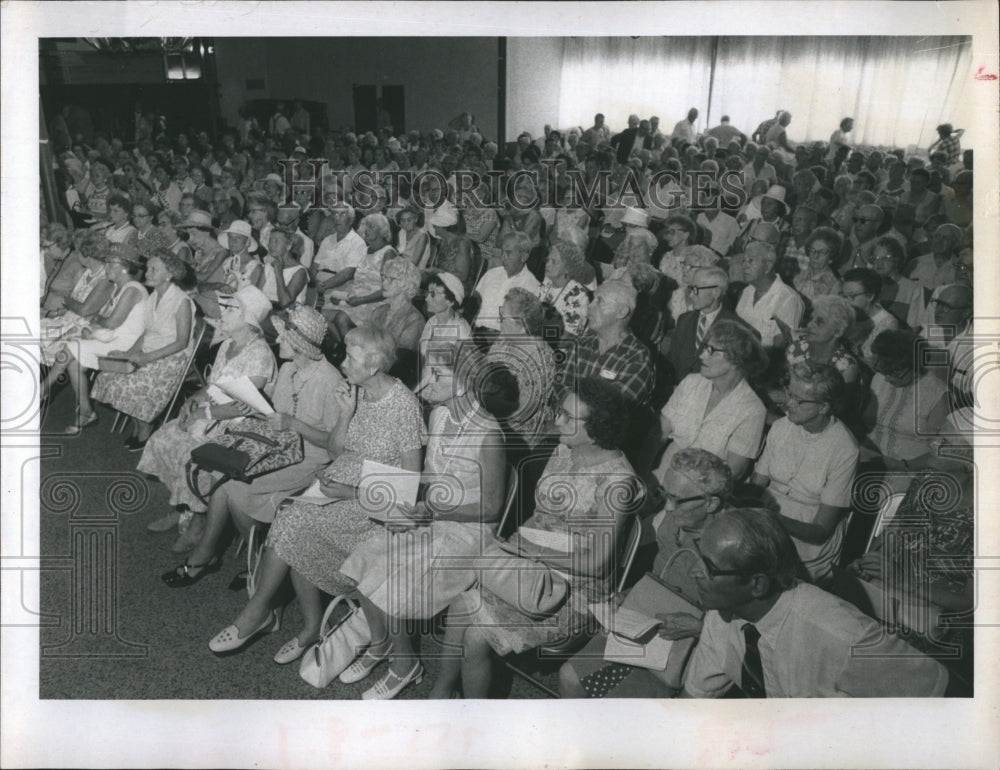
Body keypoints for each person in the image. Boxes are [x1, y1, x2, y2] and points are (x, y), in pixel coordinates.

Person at [206, 324, 422, 660]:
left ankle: (260, 614)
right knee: (293, 518)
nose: (343, 363)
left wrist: (352, 492)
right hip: (339, 479)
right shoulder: (357, 391)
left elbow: (408, 486)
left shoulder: (404, 406)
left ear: (374, 366)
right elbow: (338, 451)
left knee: (294, 523)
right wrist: (346, 415)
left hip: (372, 502)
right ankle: (303, 624)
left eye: (351, 356)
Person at [430, 378, 642, 699]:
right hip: (532, 564)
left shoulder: (618, 483)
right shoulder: (565, 450)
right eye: (561, 412)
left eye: (569, 417)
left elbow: (597, 564)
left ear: (599, 426)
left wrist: (533, 552)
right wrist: (512, 551)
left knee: (476, 637)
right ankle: (440, 693)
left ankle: (473, 721)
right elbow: (541, 516)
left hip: (575, 590)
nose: (558, 421)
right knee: (459, 605)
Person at [336, 348, 511, 699]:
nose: (426, 382)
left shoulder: (489, 433)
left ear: (462, 385)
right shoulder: (440, 417)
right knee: (366, 553)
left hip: (469, 532)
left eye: (437, 375)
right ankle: (383, 642)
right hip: (432, 515)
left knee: (397, 574)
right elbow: (429, 478)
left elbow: (492, 508)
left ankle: (405, 665)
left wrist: (429, 512)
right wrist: (405, 509)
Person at [679, 507, 948, 697]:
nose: (693, 572)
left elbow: (938, 699)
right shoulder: (723, 612)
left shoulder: (842, 635)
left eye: (708, 568)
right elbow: (696, 696)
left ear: (757, 584)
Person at [163, 304, 344, 572]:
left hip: (310, 458)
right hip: (278, 445)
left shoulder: (330, 381)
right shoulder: (287, 370)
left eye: (284, 337)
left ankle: (251, 555)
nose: (278, 340)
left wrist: (294, 424)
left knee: (233, 486)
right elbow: (277, 418)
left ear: (300, 344)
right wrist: (255, 410)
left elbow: (334, 447)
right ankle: (240, 552)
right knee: (220, 475)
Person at [559, 448, 732, 698]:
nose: (668, 507)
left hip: (693, 646)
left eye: (677, 499)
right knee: (571, 677)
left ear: (711, 503)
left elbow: (746, 628)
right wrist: (629, 596)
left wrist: (698, 627)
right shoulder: (673, 522)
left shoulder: (734, 546)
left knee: (619, 706)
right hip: (649, 624)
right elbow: (659, 577)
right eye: (666, 494)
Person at [138, 287, 277, 534]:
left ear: (247, 319)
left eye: (229, 309)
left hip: (240, 427)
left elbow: (244, 406)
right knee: (162, 440)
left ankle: (198, 520)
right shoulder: (228, 344)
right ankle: (183, 507)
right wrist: (191, 400)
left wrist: (204, 414)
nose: (221, 313)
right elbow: (213, 386)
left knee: (191, 457)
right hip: (212, 415)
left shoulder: (260, 355)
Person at [751, 362, 858, 585]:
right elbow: (756, 486)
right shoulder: (781, 427)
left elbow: (820, 531)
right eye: (789, 393)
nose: (788, 403)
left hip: (806, 551)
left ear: (824, 407)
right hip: (763, 529)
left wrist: (773, 520)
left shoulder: (845, 449)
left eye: (798, 400)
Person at [90, 250, 195, 445]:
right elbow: (146, 333)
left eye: (154, 269)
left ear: (169, 275)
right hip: (148, 351)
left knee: (130, 383)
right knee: (109, 376)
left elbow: (182, 342)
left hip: (172, 356)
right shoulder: (152, 297)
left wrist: (147, 357)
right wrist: (128, 353)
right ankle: (139, 424)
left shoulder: (182, 301)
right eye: (148, 268)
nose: (147, 273)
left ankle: (145, 428)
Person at [40, 245, 147, 430]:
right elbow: (103, 321)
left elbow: (112, 322)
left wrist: (94, 324)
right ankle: (86, 412)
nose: (106, 267)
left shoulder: (133, 288)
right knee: (74, 363)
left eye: (110, 264)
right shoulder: (119, 288)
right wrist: (94, 326)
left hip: (125, 344)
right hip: (110, 338)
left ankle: (42, 389)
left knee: (70, 347)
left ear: (124, 266)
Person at [653, 320, 767, 485]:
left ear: (736, 360)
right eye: (705, 348)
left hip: (703, 488)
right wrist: (641, 476)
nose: (702, 356)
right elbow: (657, 435)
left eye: (712, 351)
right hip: (662, 471)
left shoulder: (752, 410)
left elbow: (735, 471)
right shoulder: (691, 383)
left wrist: (687, 488)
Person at [861, 329, 950, 475]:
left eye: (894, 373)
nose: (887, 379)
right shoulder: (879, 378)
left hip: (908, 471)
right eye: (885, 372)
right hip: (870, 462)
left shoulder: (937, 395)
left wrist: (901, 466)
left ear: (914, 366)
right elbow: (866, 424)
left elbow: (940, 451)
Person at [556, 279, 654, 409]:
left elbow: (613, 410)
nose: (589, 307)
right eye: (593, 300)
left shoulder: (637, 357)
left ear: (621, 312)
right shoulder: (582, 343)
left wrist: (573, 409)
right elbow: (560, 384)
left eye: (599, 301)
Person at [487, 288, 556, 449]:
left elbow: (520, 413)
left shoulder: (541, 359)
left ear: (523, 326)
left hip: (516, 435)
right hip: (490, 417)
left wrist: (482, 411)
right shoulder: (504, 340)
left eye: (503, 318)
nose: (499, 322)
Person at [665, 266, 745, 385]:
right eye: (690, 289)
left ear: (716, 292)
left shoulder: (737, 329)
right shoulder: (684, 319)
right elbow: (672, 361)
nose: (691, 295)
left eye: (696, 289)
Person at [40, 235, 113, 364]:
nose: (75, 254)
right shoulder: (87, 273)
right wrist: (63, 308)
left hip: (83, 327)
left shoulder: (105, 279)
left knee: (39, 338)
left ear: (87, 254)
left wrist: (68, 302)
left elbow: (84, 310)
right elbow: (73, 304)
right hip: (68, 319)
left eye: (77, 251)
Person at [324, 213, 398, 339]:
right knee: (323, 315)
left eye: (372, 227)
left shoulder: (388, 253)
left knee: (341, 319)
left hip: (377, 303)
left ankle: (355, 351)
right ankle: (343, 347)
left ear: (382, 231)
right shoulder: (365, 250)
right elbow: (359, 281)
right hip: (356, 299)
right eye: (366, 226)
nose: (367, 230)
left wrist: (360, 300)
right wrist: (343, 296)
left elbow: (387, 290)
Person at [735, 240, 804, 350]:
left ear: (767, 266)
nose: (744, 266)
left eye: (751, 261)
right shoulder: (746, 292)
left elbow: (779, 350)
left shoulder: (787, 298)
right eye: (744, 261)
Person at [471, 230, 541, 339]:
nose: (503, 257)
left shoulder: (532, 287)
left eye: (508, 253)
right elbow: (473, 304)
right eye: (502, 252)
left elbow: (525, 329)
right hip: (475, 332)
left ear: (524, 256)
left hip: (502, 340)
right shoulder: (491, 274)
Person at [779, 295, 860, 386]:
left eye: (819, 322)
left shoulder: (846, 367)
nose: (809, 325)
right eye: (811, 319)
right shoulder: (796, 348)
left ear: (838, 332)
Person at [841, 267, 900, 365]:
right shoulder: (842, 313)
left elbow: (883, 368)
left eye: (852, 296)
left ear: (870, 296)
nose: (845, 302)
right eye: (843, 296)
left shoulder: (888, 325)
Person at [370, 257, 425, 353]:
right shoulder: (378, 312)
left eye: (390, 279)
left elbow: (402, 358)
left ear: (406, 284)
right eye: (384, 278)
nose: (384, 283)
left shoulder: (414, 320)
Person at [538, 241, 591, 337]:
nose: (547, 264)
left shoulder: (578, 295)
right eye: (547, 260)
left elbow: (567, 338)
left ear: (568, 268)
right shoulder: (547, 282)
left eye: (553, 261)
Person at [419, 272, 472, 364]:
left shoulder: (461, 330)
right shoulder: (431, 322)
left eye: (432, 294)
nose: (426, 299)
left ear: (450, 301)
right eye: (427, 293)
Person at [425, 205, 474, 292]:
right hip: (442, 283)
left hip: (457, 288)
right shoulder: (443, 241)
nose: (433, 226)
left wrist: (438, 272)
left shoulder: (461, 243)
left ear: (443, 226)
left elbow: (463, 276)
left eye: (435, 224)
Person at [259, 229, 308, 309]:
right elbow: (256, 293)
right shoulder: (269, 266)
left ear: (288, 246)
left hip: (288, 316)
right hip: (265, 311)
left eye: (276, 241)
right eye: (270, 241)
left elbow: (285, 302)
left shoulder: (300, 271)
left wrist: (279, 273)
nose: (271, 245)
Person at [792, 226, 843, 302]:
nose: (816, 256)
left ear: (831, 256)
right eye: (813, 250)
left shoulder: (835, 285)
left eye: (822, 252)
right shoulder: (799, 276)